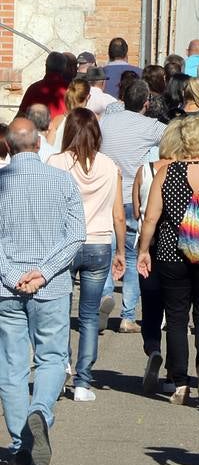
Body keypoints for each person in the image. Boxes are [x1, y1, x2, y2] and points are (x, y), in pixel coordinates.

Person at [0, 118, 86, 465]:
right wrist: (45, 272)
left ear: (7, 146)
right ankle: (40, 412)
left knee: (12, 365)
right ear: (38, 144)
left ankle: (22, 440)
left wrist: (13, 274)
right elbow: (76, 235)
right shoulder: (63, 180)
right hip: (50, 287)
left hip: (7, 288)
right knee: (51, 358)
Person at [137, 115, 199, 405]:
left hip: (171, 252)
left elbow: (151, 218)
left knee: (177, 316)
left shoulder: (167, 173)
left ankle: (179, 382)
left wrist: (144, 250)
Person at [47, 108, 126, 402]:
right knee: (90, 316)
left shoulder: (56, 163)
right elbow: (119, 214)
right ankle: (83, 381)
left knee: (59, 313)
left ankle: (60, 366)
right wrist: (120, 250)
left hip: (64, 243)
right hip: (99, 243)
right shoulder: (109, 165)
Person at [99, 79, 166, 332]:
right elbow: (172, 139)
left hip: (107, 194)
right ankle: (127, 316)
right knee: (132, 254)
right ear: (146, 103)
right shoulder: (151, 126)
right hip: (133, 197)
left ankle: (104, 296)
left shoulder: (105, 121)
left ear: (124, 100)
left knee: (107, 251)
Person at [132, 119, 184, 394]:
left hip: (148, 246)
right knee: (176, 313)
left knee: (151, 307)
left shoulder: (146, 171)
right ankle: (174, 375)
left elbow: (137, 209)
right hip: (177, 248)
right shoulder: (186, 173)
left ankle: (152, 348)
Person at [18, 51, 69, 118]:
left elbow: (22, 114)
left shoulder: (34, 88)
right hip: (62, 127)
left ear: (46, 66)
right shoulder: (70, 89)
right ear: (64, 69)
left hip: (36, 127)